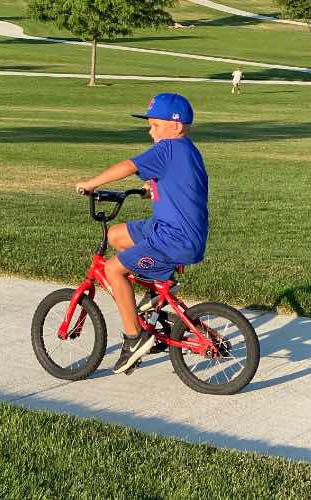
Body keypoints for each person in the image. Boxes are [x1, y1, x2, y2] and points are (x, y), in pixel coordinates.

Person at [75, 93, 209, 374]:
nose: (151, 132)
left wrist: (91, 183)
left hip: (175, 238)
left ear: (176, 126)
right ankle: (156, 289)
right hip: (172, 227)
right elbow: (183, 183)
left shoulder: (168, 149)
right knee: (116, 235)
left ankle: (135, 337)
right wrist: (155, 189)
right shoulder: (187, 150)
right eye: (150, 126)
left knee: (112, 270)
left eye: (156, 126)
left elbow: (128, 166)